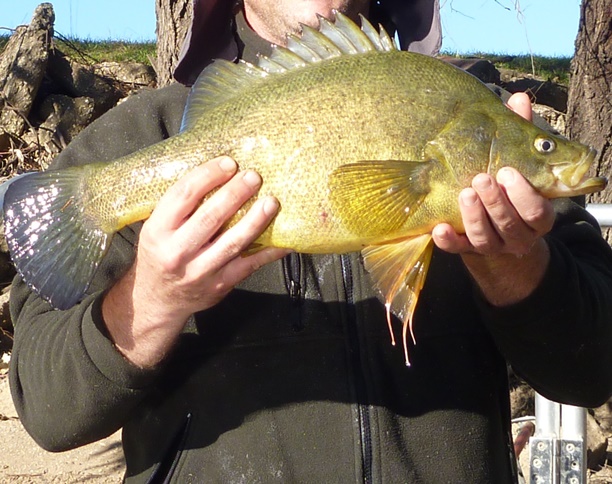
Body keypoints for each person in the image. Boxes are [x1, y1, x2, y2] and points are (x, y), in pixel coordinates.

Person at [8, 0, 612, 482]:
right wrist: (152, 299)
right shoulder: (138, 138)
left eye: (545, 151)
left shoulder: (481, 109)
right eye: (544, 151)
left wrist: (519, 268)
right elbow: (47, 408)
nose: (548, 155)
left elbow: (596, 366)